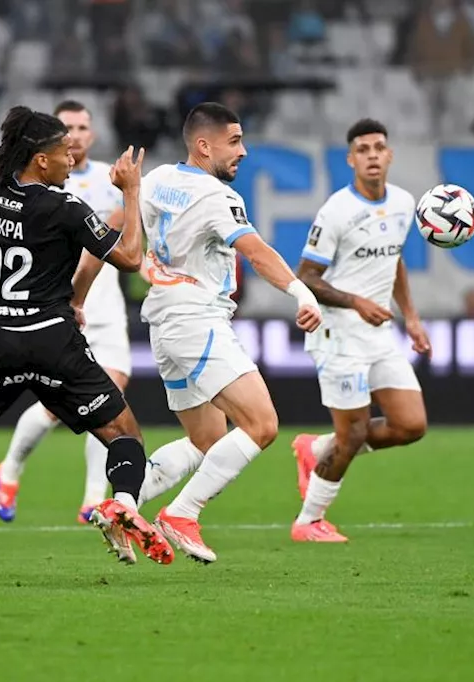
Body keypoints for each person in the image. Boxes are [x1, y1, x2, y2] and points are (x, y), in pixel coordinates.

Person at [0, 107, 172, 587]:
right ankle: (124, 505)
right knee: (125, 433)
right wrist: (131, 192)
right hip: (53, 342)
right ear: (39, 161)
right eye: (63, 153)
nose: (72, 159)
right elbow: (131, 258)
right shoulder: (64, 208)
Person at [133, 102, 323, 564]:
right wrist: (302, 293)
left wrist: (146, 268)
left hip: (163, 321)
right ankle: (183, 513)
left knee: (207, 440)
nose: (244, 151)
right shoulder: (217, 197)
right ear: (204, 146)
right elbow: (256, 252)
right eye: (234, 142)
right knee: (262, 424)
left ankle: (121, 502)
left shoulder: (156, 181)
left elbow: (122, 234)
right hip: (198, 319)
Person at [287, 119, 429, 543]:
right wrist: (356, 302)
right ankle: (308, 521)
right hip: (338, 335)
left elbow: (395, 262)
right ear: (351, 159)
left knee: (411, 425)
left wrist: (412, 317)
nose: (371, 155)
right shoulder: (336, 211)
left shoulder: (404, 203)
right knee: (354, 435)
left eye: (378, 147)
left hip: (378, 334)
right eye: (362, 149)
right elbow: (306, 276)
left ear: (389, 156)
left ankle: (314, 449)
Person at [0, 100, 133, 524]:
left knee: (111, 398)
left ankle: (93, 498)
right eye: (68, 127)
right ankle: (11, 466)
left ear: (93, 133)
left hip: (105, 305)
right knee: (58, 405)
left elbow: (125, 240)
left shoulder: (113, 181)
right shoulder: (41, 181)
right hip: (56, 305)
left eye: (83, 126)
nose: (76, 134)